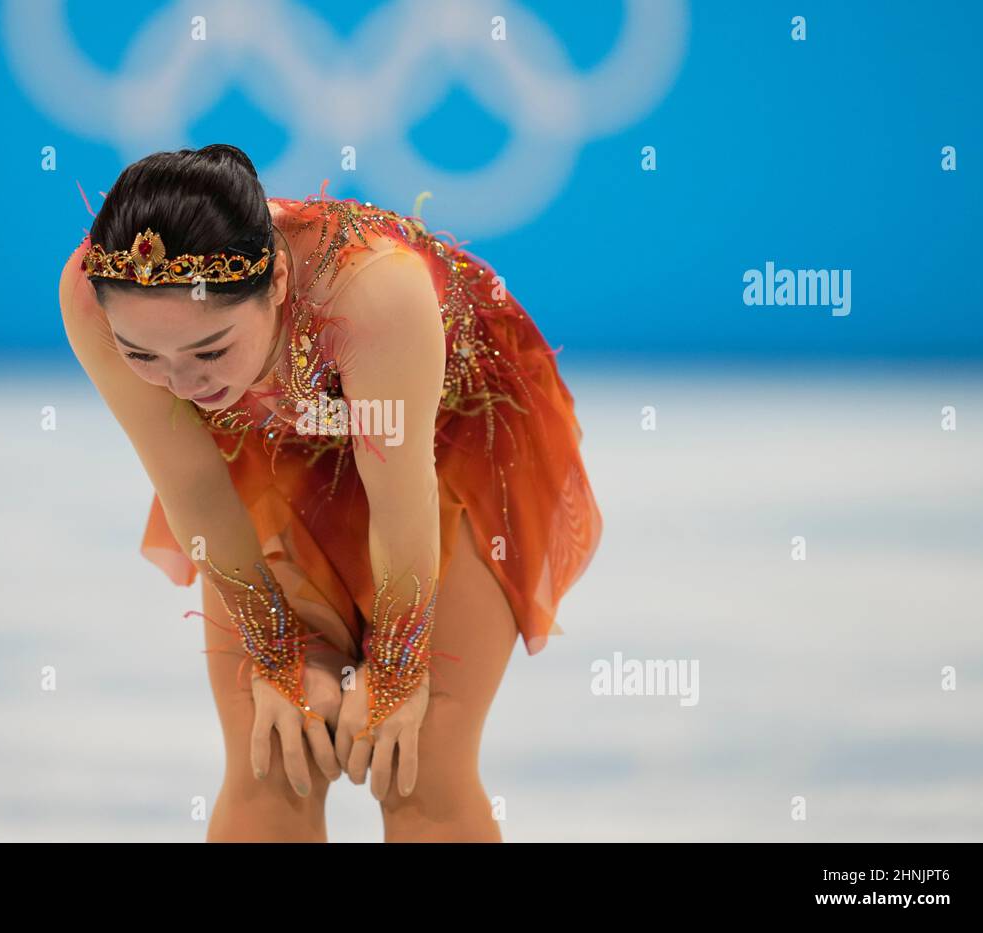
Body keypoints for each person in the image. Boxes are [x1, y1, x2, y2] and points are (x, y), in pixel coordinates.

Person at [58, 144, 602, 842]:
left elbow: (403, 499)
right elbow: (192, 483)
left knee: (415, 763)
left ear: (278, 280)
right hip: (273, 449)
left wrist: (397, 674)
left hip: (452, 445)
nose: (183, 384)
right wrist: (278, 660)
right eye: (145, 358)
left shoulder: (375, 290)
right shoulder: (92, 293)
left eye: (211, 350)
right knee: (275, 753)